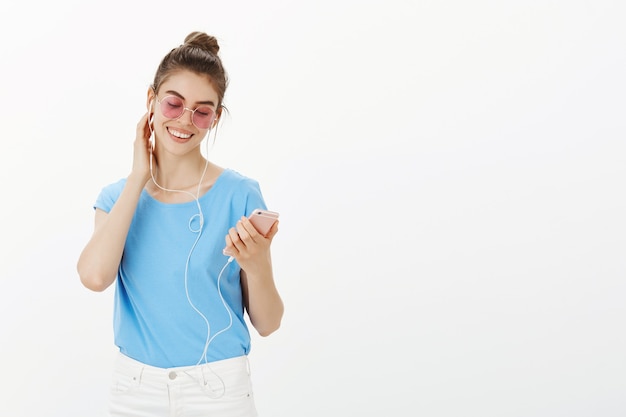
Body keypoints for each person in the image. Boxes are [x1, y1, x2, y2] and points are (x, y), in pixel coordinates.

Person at [77, 31, 284, 416]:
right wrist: (139, 175)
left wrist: (256, 264)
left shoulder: (240, 195)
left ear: (215, 118)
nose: (185, 120)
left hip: (219, 388)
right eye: (174, 104)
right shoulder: (116, 198)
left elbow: (269, 323)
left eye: (202, 111)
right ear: (151, 101)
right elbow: (94, 277)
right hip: (135, 389)